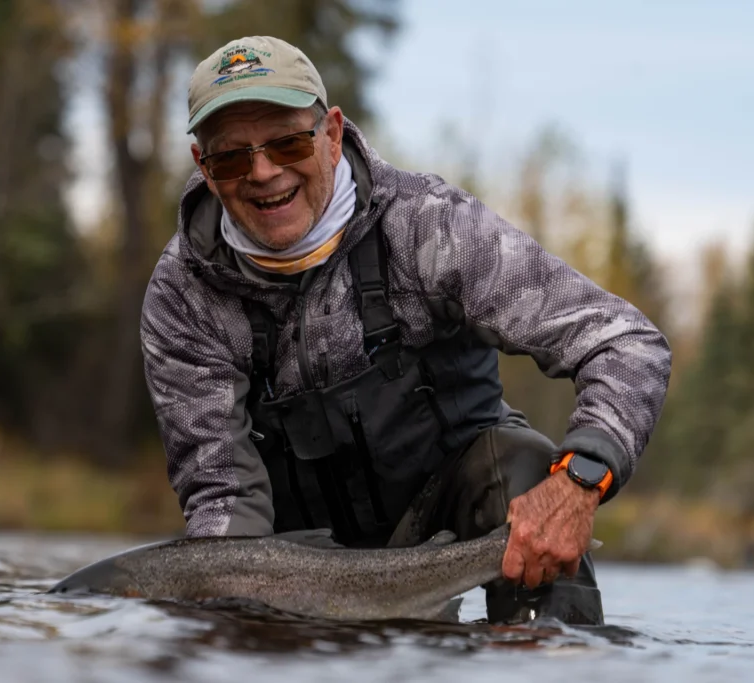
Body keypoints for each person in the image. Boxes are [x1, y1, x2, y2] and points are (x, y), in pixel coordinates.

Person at [140, 36, 672, 626]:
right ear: (204, 168)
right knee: (220, 580)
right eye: (232, 158)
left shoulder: (430, 227)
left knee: (525, 466)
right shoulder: (183, 297)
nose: (263, 172)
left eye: (287, 143)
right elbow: (223, 500)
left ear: (332, 134)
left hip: (452, 516)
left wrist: (580, 480)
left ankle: (550, 652)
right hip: (293, 564)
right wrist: (229, 626)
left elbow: (625, 342)